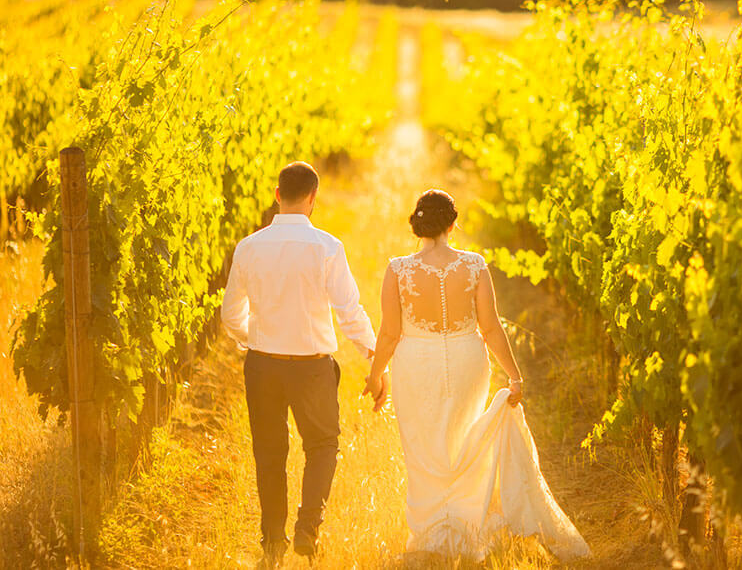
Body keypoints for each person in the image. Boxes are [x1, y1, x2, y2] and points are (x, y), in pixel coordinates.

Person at [364, 188, 590, 560]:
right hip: (469, 360)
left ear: (417, 225)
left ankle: (432, 534)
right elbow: (491, 329)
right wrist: (514, 375)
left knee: (423, 449)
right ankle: (466, 523)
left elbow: (389, 334)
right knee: (463, 440)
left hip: (415, 364)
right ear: (453, 225)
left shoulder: (398, 270)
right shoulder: (473, 265)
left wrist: (376, 376)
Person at [221, 161, 381, 566]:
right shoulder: (327, 247)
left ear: (277, 195)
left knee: (270, 453)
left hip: (263, 365)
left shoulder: (248, 246)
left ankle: (272, 539)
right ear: (313, 199)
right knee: (323, 445)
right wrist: (374, 358)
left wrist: (251, 341)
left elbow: (229, 315)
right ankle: (308, 528)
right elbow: (349, 311)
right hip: (312, 367)